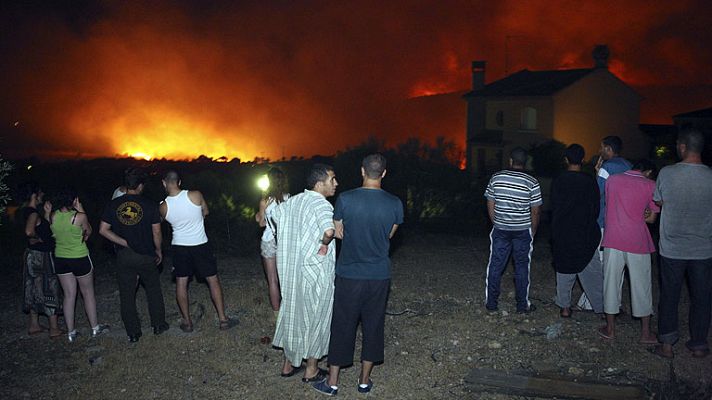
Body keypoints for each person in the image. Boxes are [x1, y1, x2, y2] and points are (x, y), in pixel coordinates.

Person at [314, 154, 403, 396]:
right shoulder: (395, 203)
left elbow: (338, 231)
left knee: (343, 324)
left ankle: (332, 383)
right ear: (384, 173)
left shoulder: (345, 198)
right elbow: (389, 235)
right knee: (373, 325)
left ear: (362, 171)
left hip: (349, 273)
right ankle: (364, 381)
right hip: (378, 275)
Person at [272, 164, 338, 383]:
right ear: (320, 184)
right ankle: (311, 369)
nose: (335, 184)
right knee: (316, 316)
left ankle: (288, 365)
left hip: (292, 271)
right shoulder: (321, 204)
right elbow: (329, 231)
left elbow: (275, 217)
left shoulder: (293, 201)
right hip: (315, 272)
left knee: (293, 313)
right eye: (332, 180)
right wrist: (323, 243)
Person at [653, 129, 712, 359]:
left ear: (683, 147)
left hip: (672, 249)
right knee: (702, 297)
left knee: (669, 295)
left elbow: (658, 200)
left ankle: (667, 345)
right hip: (703, 249)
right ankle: (698, 344)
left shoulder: (667, 173)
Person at [99, 168, 168, 343]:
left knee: (127, 294)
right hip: (146, 254)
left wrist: (122, 242)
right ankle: (159, 325)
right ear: (139, 186)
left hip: (124, 256)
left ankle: (133, 332)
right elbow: (157, 232)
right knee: (153, 289)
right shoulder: (149, 205)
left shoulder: (113, 205)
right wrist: (158, 250)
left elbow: (103, 230)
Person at [160, 170, 235, 332]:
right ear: (179, 182)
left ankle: (187, 323)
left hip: (179, 247)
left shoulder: (163, 206)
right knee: (212, 280)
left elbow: (164, 223)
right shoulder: (196, 195)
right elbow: (206, 212)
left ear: (164, 183)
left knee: (181, 283)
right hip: (200, 244)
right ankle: (223, 319)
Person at [597, 159, 659, 343]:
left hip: (613, 238)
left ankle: (610, 329)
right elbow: (651, 219)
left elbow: (609, 204)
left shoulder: (613, 180)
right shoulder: (650, 184)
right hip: (638, 241)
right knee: (642, 285)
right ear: (647, 171)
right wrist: (643, 212)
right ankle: (645, 333)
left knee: (610, 283)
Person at [576, 135, 632, 311]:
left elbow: (596, 193)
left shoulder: (607, 167)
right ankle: (615, 301)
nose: (599, 151)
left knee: (598, 262)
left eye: (602, 148)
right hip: (624, 221)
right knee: (618, 265)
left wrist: (597, 173)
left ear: (608, 149)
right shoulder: (629, 166)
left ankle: (594, 302)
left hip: (603, 220)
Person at [484, 147, 542, 313]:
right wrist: (533, 231)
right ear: (525, 163)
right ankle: (522, 306)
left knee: (495, 265)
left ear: (510, 161)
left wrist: (495, 221)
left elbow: (490, 202)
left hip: (501, 229)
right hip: (523, 230)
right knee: (522, 267)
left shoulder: (497, 178)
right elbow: (536, 210)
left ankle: (492, 304)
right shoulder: (532, 182)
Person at [550, 144, 603, 318]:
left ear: (566, 160)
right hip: (584, 232)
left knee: (564, 269)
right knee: (591, 270)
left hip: (563, 231)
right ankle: (602, 308)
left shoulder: (559, 180)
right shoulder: (589, 181)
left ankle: (565, 307)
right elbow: (596, 208)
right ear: (582, 159)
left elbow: (554, 206)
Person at [50, 187, 109, 342]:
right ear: (73, 200)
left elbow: (53, 233)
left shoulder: (53, 216)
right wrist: (81, 209)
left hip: (61, 259)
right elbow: (88, 232)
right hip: (79, 257)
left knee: (69, 295)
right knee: (87, 293)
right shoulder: (79, 216)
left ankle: (71, 332)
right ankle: (95, 328)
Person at [17, 182, 63, 338]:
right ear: (34, 195)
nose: (42, 195)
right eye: (40, 193)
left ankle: (34, 325)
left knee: (32, 288)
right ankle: (54, 328)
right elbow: (29, 231)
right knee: (48, 287)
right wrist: (38, 239)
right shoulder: (32, 213)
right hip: (41, 256)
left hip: (30, 255)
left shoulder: (22, 211)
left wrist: (46, 216)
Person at [254, 167, 290, 318]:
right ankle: (289, 310)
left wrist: (258, 214)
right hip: (285, 240)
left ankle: (276, 314)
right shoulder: (289, 198)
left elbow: (262, 223)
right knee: (286, 277)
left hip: (269, 240)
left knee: (272, 279)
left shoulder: (265, 200)